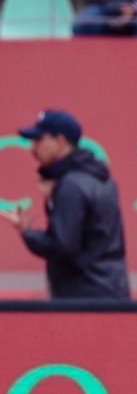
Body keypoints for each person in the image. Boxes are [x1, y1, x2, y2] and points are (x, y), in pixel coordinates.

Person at [1, 109, 129, 301]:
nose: (32, 148)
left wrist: (27, 232)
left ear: (60, 141)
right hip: (111, 292)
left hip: (82, 298)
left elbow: (63, 247)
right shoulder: (102, 179)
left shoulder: (70, 185)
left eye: (39, 140)